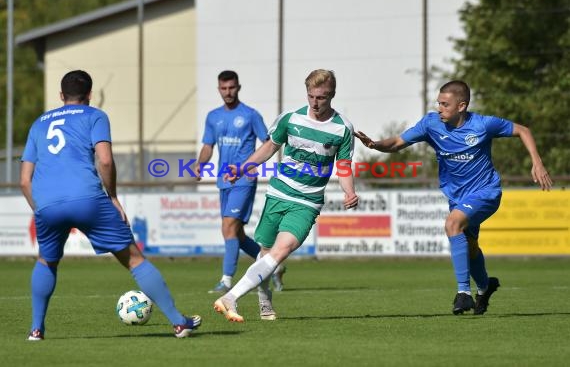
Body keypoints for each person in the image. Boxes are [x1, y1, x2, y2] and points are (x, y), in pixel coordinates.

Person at [20, 70, 201, 340]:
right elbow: (104, 161)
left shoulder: (39, 123)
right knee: (134, 260)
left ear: (61, 95)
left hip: (46, 204)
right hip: (88, 199)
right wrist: (113, 196)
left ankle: (36, 329)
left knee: (46, 262)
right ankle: (178, 322)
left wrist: (43, 209)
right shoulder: (95, 116)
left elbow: (24, 181)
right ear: (90, 95)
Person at [356, 80, 552, 315]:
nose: (439, 108)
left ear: (461, 106)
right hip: (457, 198)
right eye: (438, 103)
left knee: (452, 224)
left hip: (486, 192)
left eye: (445, 104)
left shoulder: (483, 124)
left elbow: (523, 130)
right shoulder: (431, 124)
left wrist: (537, 162)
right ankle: (484, 288)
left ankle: (463, 293)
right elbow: (397, 142)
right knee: (469, 248)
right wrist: (376, 145)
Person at [213, 69, 359, 322]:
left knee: (281, 251)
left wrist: (349, 191)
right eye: (311, 96)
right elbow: (270, 146)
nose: (315, 102)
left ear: (332, 95)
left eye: (321, 98)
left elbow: (343, 165)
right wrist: (243, 167)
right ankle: (264, 297)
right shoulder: (290, 119)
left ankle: (230, 296)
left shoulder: (342, 128)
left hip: (307, 202)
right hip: (278, 194)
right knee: (266, 252)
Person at [195, 70, 286, 294]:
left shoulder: (250, 115)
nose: (228, 92)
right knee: (237, 234)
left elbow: (269, 142)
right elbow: (208, 146)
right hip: (224, 180)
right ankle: (274, 265)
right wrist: (200, 163)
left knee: (228, 227)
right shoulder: (213, 117)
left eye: (232, 87)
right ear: (219, 89)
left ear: (238, 87)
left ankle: (226, 281)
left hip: (244, 178)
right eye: (224, 88)